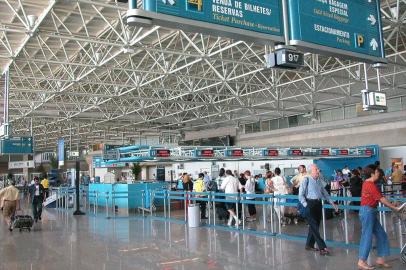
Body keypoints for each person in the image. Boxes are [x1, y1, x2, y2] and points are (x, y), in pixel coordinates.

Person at [357, 165, 401, 270]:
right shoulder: (369, 184)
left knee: (381, 234)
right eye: (377, 172)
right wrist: (394, 208)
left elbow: (381, 198)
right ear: (372, 174)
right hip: (367, 212)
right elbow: (381, 199)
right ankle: (361, 261)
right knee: (367, 236)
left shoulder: (370, 184)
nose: (379, 173)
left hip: (371, 211)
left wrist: (392, 205)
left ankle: (380, 259)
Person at [299, 164, 338, 256]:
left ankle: (309, 245)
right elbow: (300, 195)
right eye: (316, 169)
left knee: (315, 225)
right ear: (310, 171)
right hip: (310, 204)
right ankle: (322, 247)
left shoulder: (319, 181)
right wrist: (306, 205)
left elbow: (325, 193)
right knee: (314, 227)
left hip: (318, 204)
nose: (318, 170)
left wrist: (332, 203)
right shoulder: (306, 180)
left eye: (318, 169)